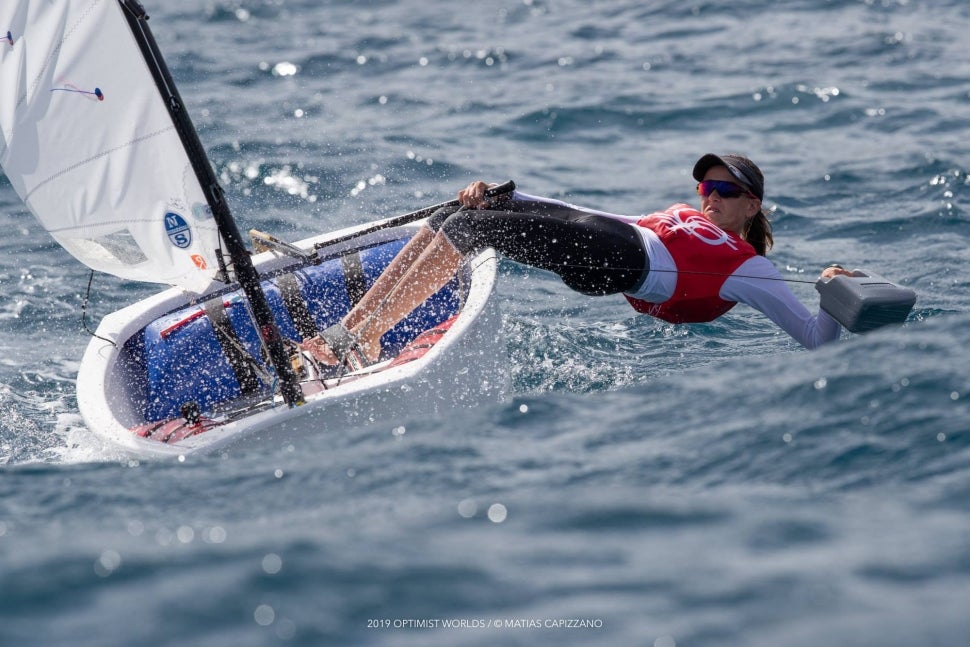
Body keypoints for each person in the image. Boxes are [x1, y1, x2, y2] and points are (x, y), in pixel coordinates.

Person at [301, 153, 850, 368]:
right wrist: (515, 199)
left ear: (752, 205)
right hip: (613, 243)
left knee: (467, 230)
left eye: (726, 190)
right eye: (707, 184)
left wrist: (833, 292)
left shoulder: (748, 265)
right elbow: (599, 217)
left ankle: (352, 339)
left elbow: (814, 337)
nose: (711, 196)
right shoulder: (687, 215)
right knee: (457, 215)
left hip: (626, 263)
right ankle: (357, 333)